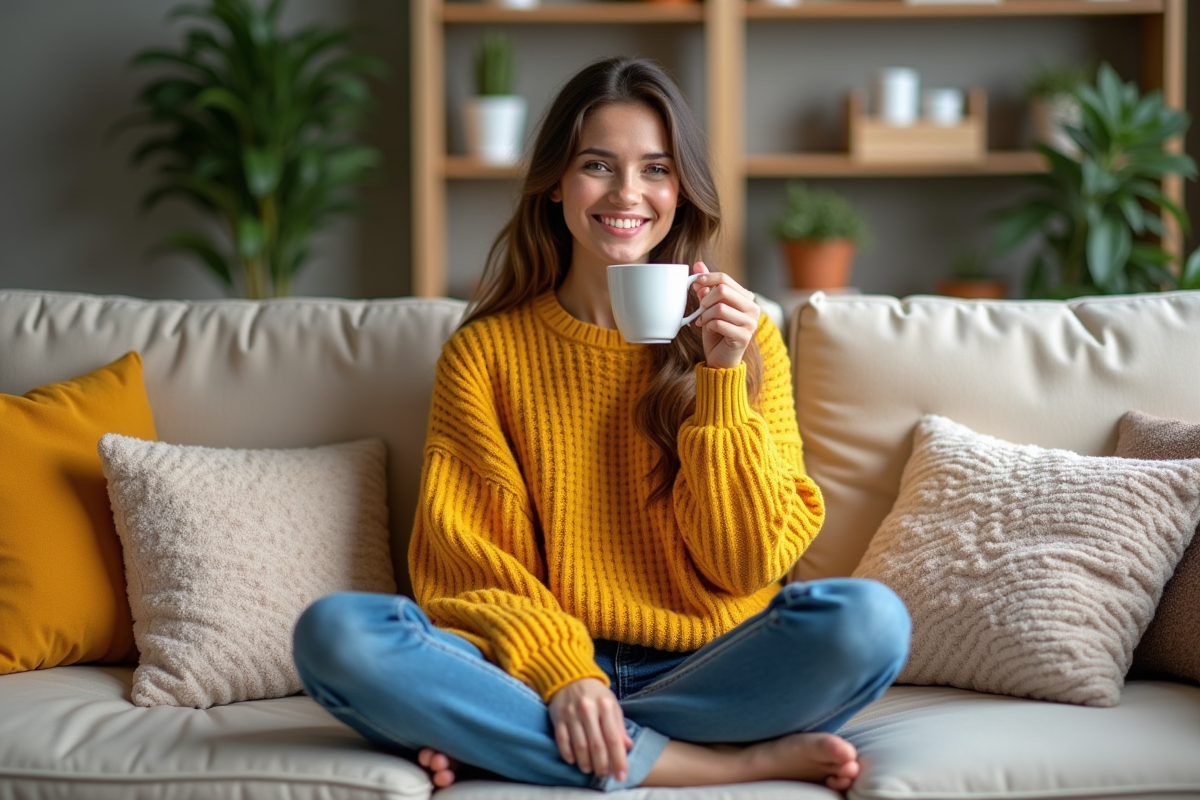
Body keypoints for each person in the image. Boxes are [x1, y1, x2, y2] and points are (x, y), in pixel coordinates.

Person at [292, 56, 910, 793]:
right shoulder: (486, 353)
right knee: (337, 635)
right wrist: (565, 675)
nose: (627, 194)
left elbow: (744, 565)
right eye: (597, 165)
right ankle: (705, 764)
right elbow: (474, 570)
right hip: (536, 674)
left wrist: (719, 378)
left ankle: (517, 742)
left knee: (868, 621)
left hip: (707, 670)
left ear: (681, 191)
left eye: (656, 169)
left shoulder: (746, 341)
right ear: (556, 182)